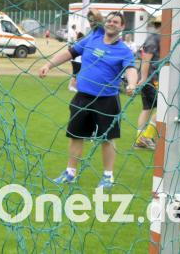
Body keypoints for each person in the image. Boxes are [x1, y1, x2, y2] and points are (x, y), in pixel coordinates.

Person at [39, 12, 137, 189]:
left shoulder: (124, 50)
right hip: (82, 97)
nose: (112, 24)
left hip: (107, 100)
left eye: (116, 22)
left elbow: (130, 69)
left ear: (122, 27)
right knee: (76, 135)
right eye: (109, 21)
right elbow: (69, 53)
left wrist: (132, 84)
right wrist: (48, 65)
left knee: (107, 139)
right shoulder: (92, 39)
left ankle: (108, 177)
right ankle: (70, 173)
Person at [134, 19, 161, 150]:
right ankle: (147, 137)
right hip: (152, 78)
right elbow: (146, 59)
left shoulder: (155, 37)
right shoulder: (154, 38)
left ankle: (139, 140)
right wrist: (144, 78)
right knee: (163, 107)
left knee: (147, 109)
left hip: (149, 78)